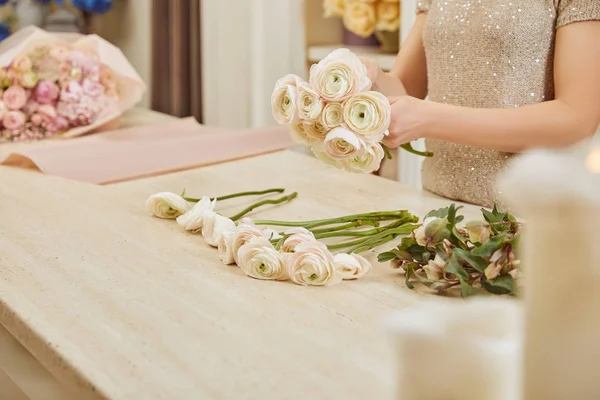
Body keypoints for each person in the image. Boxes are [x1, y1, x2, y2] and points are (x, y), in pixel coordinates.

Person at [362, 0, 600, 208]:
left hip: (524, 220)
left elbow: (576, 120)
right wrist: (365, 79)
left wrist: (431, 120)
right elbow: (405, 88)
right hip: (435, 214)